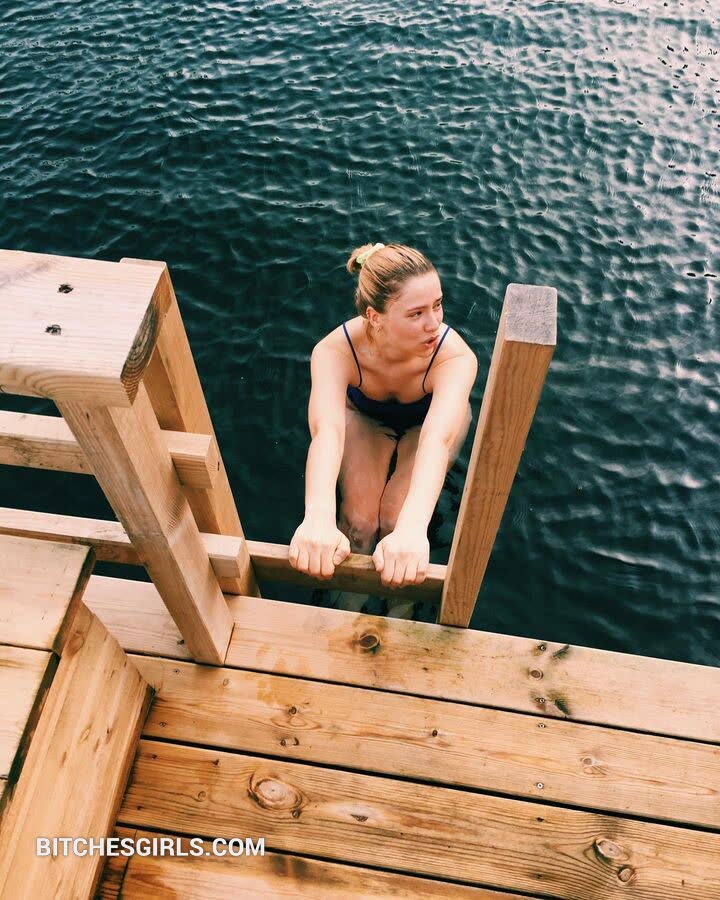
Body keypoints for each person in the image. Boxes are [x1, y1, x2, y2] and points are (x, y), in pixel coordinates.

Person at [289, 241, 477, 593]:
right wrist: (317, 517)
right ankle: (349, 599)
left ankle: (403, 601)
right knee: (359, 523)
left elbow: (437, 440)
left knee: (396, 519)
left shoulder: (453, 356)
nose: (434, 323)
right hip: (365, 419)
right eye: (416, 314)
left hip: (427, 426)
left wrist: (412, 529)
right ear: (375, 317)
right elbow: (327, 431)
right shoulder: (336, 350)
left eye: (438, 305)